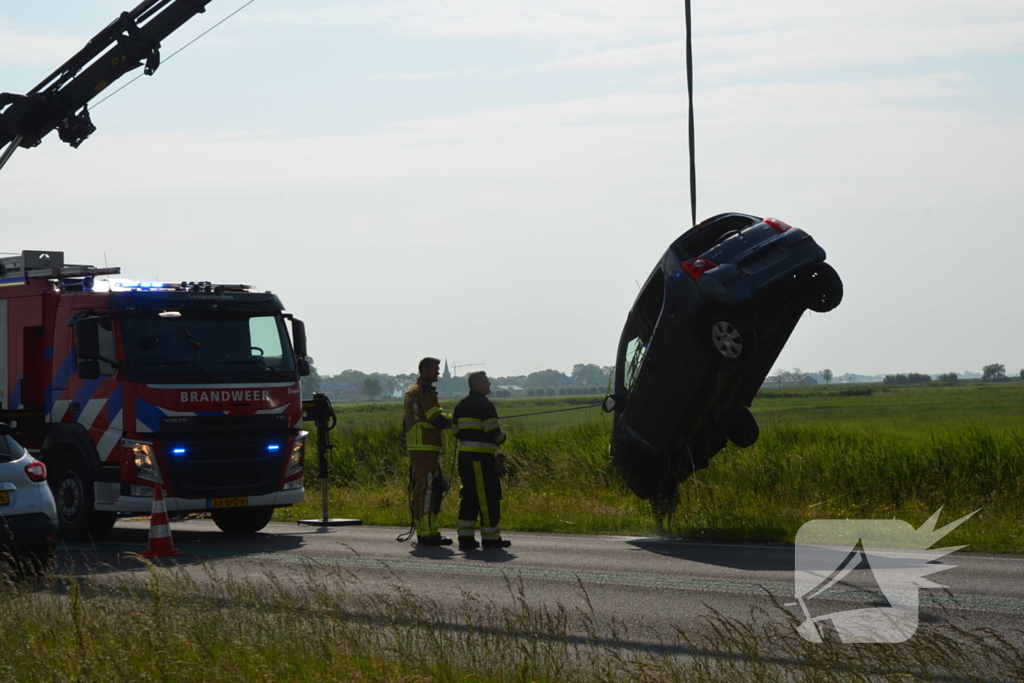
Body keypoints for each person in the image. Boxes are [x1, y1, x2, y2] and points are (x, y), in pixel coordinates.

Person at [452, 371, 511, 550]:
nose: (490, 384)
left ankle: (466, 538)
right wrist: (503, 438)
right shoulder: (485, 405)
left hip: (465, 459)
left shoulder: (460, 405)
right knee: (488, 496)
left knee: (469, 497)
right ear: (477, 384)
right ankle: (491, 538)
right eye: (486, 381)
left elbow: (455, 431)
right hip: (481, 459)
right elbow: (493, 432)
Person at [403, 357, 453, 546]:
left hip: (420, 448)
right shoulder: (424, 392)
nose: (438, 373)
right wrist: (456, 421)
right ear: (424, 370)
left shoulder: (413, 391)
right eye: (435, 369)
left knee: (424, 489)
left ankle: (429, 531)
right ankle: (427, 533)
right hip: (425, 448)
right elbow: (437, 419)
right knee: (429, 490)